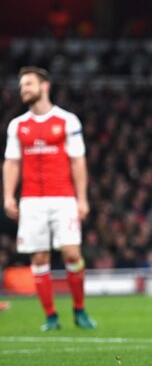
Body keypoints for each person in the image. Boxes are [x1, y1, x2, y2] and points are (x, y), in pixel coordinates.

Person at [3, 66, 97, 331]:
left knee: (71, 252)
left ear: (45, 86)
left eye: (28, 85)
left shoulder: (67, 121)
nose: (24, 90)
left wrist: (82, 199)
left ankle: (79, 310)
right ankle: (51, 317)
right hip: (31, 200)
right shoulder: (18, 125)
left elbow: (78, 160)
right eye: (22, 86)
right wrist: (9, 195)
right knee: (39, 259)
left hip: (63, 198)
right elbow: (11, 162)